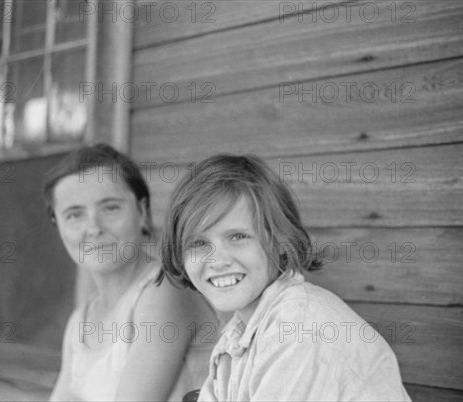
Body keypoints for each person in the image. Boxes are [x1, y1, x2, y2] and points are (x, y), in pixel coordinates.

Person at [159, 154, 411, 401]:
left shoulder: (297, 327)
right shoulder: (238, 332)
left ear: (280, 240)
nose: (217, 260)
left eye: (238, 236)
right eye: (198, 242)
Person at [45, 144, 219, 401]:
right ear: (57, 225)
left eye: (110, 208)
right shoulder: (80, 320)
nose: (93, 227)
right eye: (74, 215)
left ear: (141, 211)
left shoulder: (164, 290)